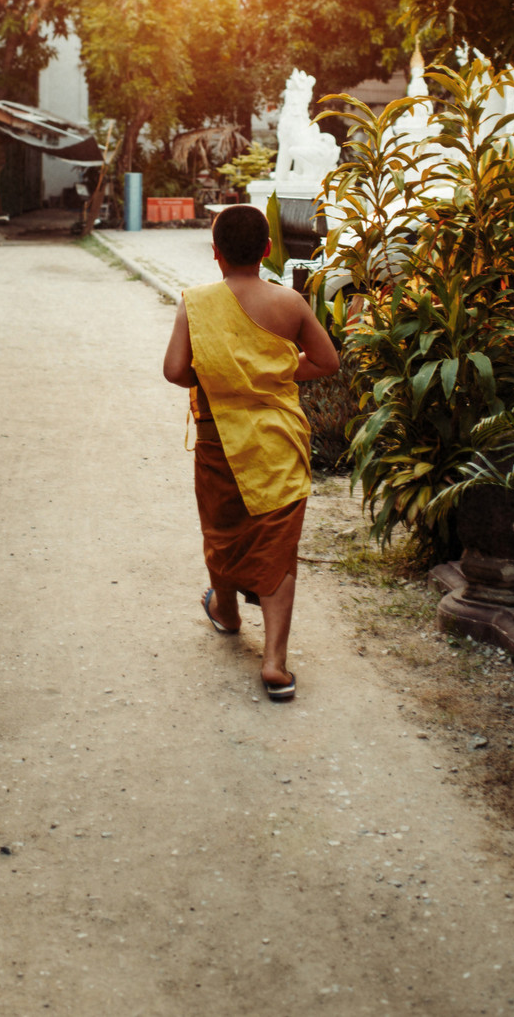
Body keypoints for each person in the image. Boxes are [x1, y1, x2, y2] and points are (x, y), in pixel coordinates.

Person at [163, 203, 340, 701]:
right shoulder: (290, 303)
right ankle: (275, 664)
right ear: (266, 250)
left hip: (219, 435)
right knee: (277, 545)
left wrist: (223, 378)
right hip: (278, 440)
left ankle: (226, 610)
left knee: (223, 529)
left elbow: (176, 371)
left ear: (215, 254)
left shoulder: (195, 303)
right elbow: (327, 362)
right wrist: (276, 373)